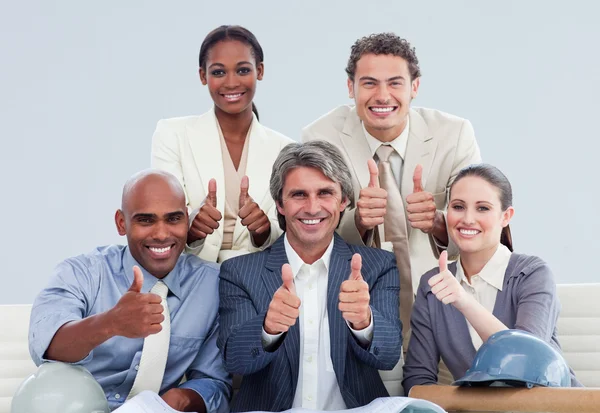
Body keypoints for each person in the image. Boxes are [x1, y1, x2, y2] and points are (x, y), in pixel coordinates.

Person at [302, 32, 481, 341]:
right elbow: (305, 228)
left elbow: (483, 225)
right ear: (350, 88)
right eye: (369, 83)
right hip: (355, 310)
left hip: (442, 305)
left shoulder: (454, 135)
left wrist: (440, 223)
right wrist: (356, 221)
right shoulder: (320, 138)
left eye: (395, 83)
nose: (382, 96)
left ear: (415, 87)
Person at [218, 141, 401, 412]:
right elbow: (234, 361)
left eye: (325, 193)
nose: (312, 207)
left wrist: (364, 322)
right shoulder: (239, 272)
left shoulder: (378, 266)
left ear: (344, 201)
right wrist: (268, 328)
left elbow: (388, 356)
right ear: (280, 204)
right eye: (299, 195)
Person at [28, 170, 231, 413]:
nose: (161, 234)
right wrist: (110, 323)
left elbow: (214, 380)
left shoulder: (212, 285)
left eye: (173, 219)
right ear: (121, 223)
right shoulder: (83, 272)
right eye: (145, 220)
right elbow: (46, 346)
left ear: (186, 220)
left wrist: (181, 399)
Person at [402, 164, 582, 394]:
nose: (468, 219)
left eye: (483, 208)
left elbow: (527, 362)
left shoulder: (533, 274)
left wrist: (463, 302)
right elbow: (417, 383)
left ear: (506, 216)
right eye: (458, 207)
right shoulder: (433, 285)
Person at [152, 25, 293, 263]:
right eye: (218, 72)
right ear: (202, 76)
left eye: (242, 70)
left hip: (256, 278)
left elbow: (289, 228)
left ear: (259, 71)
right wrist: (192, 229)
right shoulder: (172, 135)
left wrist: (264, 232)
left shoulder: (285, 149)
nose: (231, 83)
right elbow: (162, 215)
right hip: (189, 272)